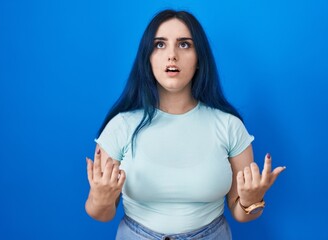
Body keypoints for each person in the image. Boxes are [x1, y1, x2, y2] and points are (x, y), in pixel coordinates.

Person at [85, 9, 285, 240]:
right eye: (160, 44)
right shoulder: (120, 126)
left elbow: (243, 213)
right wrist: (101, 198)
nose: (172, 55)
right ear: (147, 57)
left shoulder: (230, 126)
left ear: (199, 58)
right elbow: (100, 214)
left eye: (184, 45)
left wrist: (252, 200)